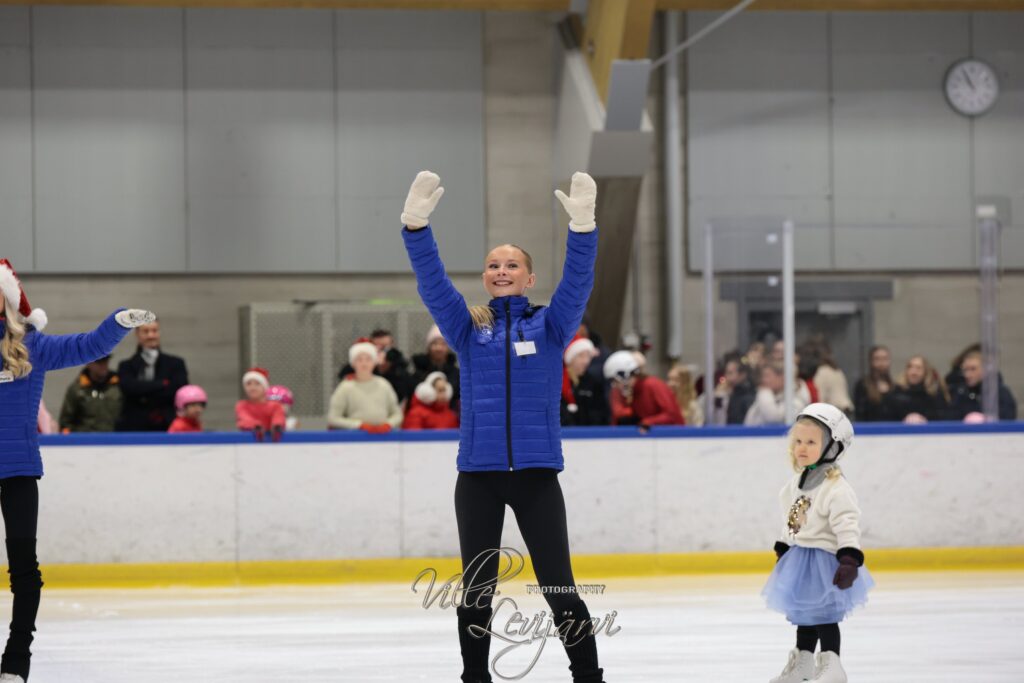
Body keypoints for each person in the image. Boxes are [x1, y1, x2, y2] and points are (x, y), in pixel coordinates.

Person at [401, 170, 606, 683]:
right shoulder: (468, 329)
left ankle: (588, 676)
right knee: (477, 589)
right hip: (478, 478)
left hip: (537, 475)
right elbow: (433, 284)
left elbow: (578, 282)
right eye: (493, 264)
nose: (501, 269)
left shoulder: (553, 326)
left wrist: (583, 228)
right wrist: (416, 228)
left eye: (512, 264)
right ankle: (475, 677)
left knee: (559, 585)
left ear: (528, 278)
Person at [0, 257, 154, 683]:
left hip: (17, 469)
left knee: (24, 569)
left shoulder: (33, 346)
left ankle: (15, 658)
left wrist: (118, 322)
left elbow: (88, 346)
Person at [762, 404, 874, 683]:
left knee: (824, 616)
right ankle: (803, 664)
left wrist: (849, 559)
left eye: (811, 442)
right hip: (799, 560)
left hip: (825, 561)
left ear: (833, 447)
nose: (801, 447)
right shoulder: (793, 485)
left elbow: (847, 523)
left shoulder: (836, 488)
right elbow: (791, 522)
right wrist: (784, 550)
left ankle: (833, 666)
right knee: (803, 616)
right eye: (798, 441)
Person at [116, 318, 188, 431]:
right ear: (137, 334)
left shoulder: (176, 364)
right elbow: (129, 388)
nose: (151, 335)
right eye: (146, 331)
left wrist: (142, 388)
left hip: (168, 426)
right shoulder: (126, 366)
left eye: (154, 331)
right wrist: (162, 384)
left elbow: (179, 390)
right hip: (133, 427)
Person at [328, 339, 403, 433]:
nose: (364, 363)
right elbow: (333, 418)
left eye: (368, 359)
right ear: (353, 363)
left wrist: (388, 424)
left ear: (374, 362)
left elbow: (397, 414)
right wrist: (359, 425)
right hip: (355, 439)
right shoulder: (345, 387)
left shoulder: (384, 384)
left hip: (383, 437)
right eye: (359, 359)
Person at [604, 350, 684, 427]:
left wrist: (648, 422)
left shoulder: (652, 385)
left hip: (672, 437)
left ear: (624, 375)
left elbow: (672, 414)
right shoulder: (634, 391)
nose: (615, 385)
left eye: (615, 381)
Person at [337, 329, 413, 404]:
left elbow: (402, 392)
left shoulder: (398, 363)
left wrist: (386, 370)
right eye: (377, 347)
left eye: (385, 347)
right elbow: (345, 375)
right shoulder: (361, 363)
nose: (381, 351)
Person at [58, 356, 122, 433]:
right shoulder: (77, 389)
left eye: (105, 361)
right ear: (89, 363)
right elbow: (65, 422)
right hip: (84, 441)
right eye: (99, 362)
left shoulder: (118, 385)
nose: (103, 365)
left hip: (114, 440)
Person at [949, 350, 1018, 421]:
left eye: (973, 369)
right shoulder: (959, 393)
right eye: (965, 370)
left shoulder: (1000, 393)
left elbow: (1007, 419)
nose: (967, 375)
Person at [560, 335, 609, 427]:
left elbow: (601, 412)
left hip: (589, 436)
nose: (586, 361)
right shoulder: (557, 384)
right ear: (570, 358)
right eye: (581, 356)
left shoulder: (593, 382)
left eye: (588, 357)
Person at [411, 324, 461, 410]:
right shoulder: (419, 371)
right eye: (434, 344)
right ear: (428, 347)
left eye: (443, 344)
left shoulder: (456, 373)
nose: (439, 348)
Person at [744, 363, 811, 426]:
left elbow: (773, 418)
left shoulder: (796, 401)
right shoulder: (770, 395)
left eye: (767, 376)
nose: (763, 380)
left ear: (782, 377)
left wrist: (764, 394)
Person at [888, 356, 949, 423]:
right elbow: (887, 418)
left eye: (918, 368)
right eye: (910, 367)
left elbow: (943, 416)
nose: (913, 372)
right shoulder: (896, 393)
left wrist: (924, 419)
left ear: (925, 372)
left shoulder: (934, 394)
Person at [235, 367, 286, 441]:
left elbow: (278, 418)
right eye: (248, 384)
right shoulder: (242, 405)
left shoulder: (275, 406)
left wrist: (277, 427)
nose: (252, 387)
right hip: (248, 443)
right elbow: (245, 419)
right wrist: (256, 427)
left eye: (257, 384)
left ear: (265, 387)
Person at [852, 345, 894, 422]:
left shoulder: (895, 387)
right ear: (871, 361)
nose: (881, 363)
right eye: (877, 359)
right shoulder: (862, 385)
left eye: (885, 359)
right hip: (870, 431)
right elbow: (859, 414)